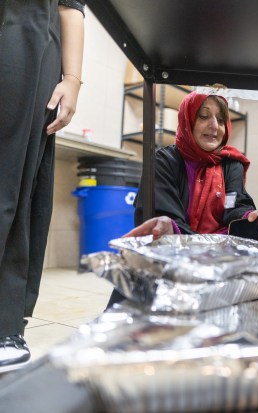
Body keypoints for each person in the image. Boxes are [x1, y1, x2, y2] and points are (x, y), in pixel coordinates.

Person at [107, 91, 258, 305]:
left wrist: (247, 216)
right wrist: (207, 245)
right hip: (169, 259)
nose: (214, 125)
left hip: (217, 260)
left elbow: (233, 204)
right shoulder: (164, 160)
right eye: (204, 116)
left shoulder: (230, 164)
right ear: (187, 120)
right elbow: (164, 221)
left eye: (221, 119)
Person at [0, 0, 85, 373]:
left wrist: (72, 79)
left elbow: (71, 6)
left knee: (10, 180)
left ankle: (4, 322)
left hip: (25, 34)